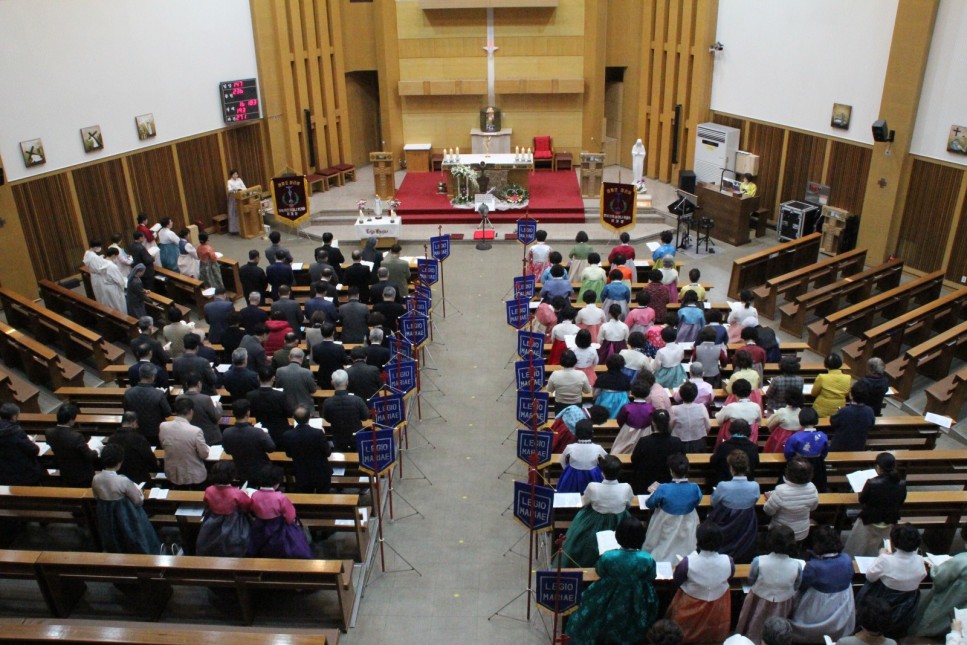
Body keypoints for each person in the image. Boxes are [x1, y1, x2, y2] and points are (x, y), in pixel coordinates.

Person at [564, 515, 659, 643]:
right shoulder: (647, 559)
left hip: (607, 594)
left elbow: (600, 571)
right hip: (636, 597)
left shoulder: (609, 556)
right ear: (641, 537)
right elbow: (651, 576)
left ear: (618, 536)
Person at [557, 455, 633, 568]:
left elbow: (584, 502)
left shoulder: (593, 487)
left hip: (594, 522)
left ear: (602, 472)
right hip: (619, 521)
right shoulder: (626, 487)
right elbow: (628, 504)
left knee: (578, 540)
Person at [665, 522, 734, 644]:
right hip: (717, 606)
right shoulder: (728, 561)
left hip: (691, 604)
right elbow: (730, 576)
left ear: (698, 541)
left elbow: (677, 580)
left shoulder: (687, 562)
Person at [789, 525, 857, 642]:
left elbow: (801, 585)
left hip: (819, 602)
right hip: (843, 598)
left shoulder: (814, 566)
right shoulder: (846, 559)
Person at [91, 444, 161, 554]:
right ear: (119, 462)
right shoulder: (122, 481)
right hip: (126, 516)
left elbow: (96, 496)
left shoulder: (96, 478)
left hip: (106, 516)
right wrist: (140, 492)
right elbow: (138, 501)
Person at [736, 525, 802, 641]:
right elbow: (797, 585)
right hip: (783, 602)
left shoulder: (759, 561)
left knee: (755, 621)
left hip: (758, 598)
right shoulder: (797, 565)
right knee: (777, 628)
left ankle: (751, 639)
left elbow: (751, 579)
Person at [844, 452, 907, 557]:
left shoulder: (872, 483)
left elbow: (862, 500)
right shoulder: (901, 483)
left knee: (858, 546)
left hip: (869, 519)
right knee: (881, 548)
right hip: (889, 519)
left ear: (878, 467)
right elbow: (901, 501)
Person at [246, 465, 313, 559]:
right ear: (277, 483)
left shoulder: (255, 495)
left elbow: (252, 508)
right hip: (278, 527)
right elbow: (290, 516)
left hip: (260, 526)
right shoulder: (280, 497)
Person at [643, 453, 702, 560]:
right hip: (688, 521)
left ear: (671, 471)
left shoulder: (663, 488)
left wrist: (654, 492)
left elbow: (649, 504)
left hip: (665, 520)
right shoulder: (695, 488)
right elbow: (697, 501)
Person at [911, 527, 967, 638]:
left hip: (951, 599)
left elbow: (939, 578)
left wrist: (933, 568)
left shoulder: (961, 560)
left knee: (934, 622)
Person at [196, 461, 252, 557]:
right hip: (233, 522)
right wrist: (244, 494)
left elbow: (207, 502)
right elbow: (247, 505)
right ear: (232, 476)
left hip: (212, 521)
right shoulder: (237, 493)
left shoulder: (209, 490)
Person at [159, 398, 210, 490]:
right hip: (193, 473)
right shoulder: (195, 431)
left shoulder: (163, 426)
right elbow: (204, 454)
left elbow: (163, 445)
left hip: (173, 472)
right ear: (191, 411)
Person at [764, 457, 819, 542]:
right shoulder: (812, 487)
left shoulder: (780, 490)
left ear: (788, 472)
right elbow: (813, 507)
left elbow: (768, 511)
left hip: (780, 533)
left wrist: (770, 499)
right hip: (802, 531)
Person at [223, 399, 277, 485]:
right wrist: (266, 434)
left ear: (233, 413)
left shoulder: (227, 432)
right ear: (248, 413)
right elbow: (271, 448)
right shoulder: (258, 432)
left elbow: (228, 451)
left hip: (240, 470)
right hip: (261, 471)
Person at [282, 405, 333, 493]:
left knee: (306, 494)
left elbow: (288, 454)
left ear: (294, 418)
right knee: (323, 495)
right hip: (320, 471)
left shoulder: (287, 435)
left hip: (301, 472)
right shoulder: (318, 433)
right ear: (309, 417)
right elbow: (327, 453)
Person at [630, 410, 683, 493]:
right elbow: (681, 461)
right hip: (669, 484)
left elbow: (634, 460)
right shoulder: (676, 442)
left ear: (653, 423)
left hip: (645, 484)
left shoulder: (644, 441)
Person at [122, 363, 171, 445]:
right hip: (155, 431)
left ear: (140, 375)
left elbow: (126, 411)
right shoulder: (159, 394)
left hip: (136, 431)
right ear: (153, 376)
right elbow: (168, 413)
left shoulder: (128, 393)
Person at [322, 369, 371, 451]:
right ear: (347, 382)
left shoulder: (327, 402)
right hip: (356, 437)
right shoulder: (357, 400)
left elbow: (327, 419)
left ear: (332, 383)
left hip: (339, 438)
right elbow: (365, 417)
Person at [105, 412, 159, 485]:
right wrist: (156, 463)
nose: (137, 426)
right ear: (134, 423)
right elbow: (149, 457)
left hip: (118, 478)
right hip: (138, 479)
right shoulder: (138, 438)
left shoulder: (112, 438)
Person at [784, 407, 829, 492]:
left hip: (799, 465)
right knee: (818, 485)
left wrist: (793, 460)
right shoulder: (823, 436)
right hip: (818, 465)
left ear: (800, 420)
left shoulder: (795, 437)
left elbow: (788, 453)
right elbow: (824, 452)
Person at [557, 420, 607, 494]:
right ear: (592, 432)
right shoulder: (597, 448)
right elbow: (607, 459)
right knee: (594, 494)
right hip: (593, 474)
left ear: (576, 433)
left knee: (570, 495)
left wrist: (567, 469)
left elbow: (562, 459)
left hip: (572, 475)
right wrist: (602, 472)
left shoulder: (570, 447)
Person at [247, 367, 292, 445]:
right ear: (273, 378)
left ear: (258, 378)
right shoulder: (280, 395)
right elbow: (289, 413)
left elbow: (251, 413)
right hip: (280, 431)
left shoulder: (250, 395)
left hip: (260, 430)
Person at [175, 374, 223, 446]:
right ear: (199, 383)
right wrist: (219, 407)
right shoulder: (205, 399)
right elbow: (216, 417)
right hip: (208, 437)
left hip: (189, 436)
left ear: (186, 384)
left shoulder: (178, 398)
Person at [0, 403, 42, 485]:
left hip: (2, 473)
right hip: (21, 474)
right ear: (14, 417)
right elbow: (34, 450)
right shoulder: (16, 432)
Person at [612, 379, 656, 455]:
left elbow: (620, 420)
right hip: (645, 432)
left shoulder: (626, 407)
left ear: (632, 393)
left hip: (628, 432)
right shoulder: (651, 408)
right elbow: (653, 422)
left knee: (619, 450)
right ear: (647, 393)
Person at [829, 381, 876, 451]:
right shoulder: (869, 411)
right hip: (859, 445)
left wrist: (839, 412)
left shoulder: (844, 411)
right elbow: (871, 425)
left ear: (851, 395)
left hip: (840, 446)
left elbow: (833, 422)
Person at [711, 419, 759, 485]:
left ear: (731, 430)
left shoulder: (723, 446)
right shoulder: (753, 447)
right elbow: (756, 464)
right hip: (747, 481)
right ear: (748, 430)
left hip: (726, 481)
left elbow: (714, 462)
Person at [670, 380, 711, 453]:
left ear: (681, 394)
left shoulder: (674, 409)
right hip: (698, 442)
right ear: (695, 394)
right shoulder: (702, 407)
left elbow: (670, 427)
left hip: (679, 442)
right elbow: (708, 426)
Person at [545, 350, 592, 415]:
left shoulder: (555, 374)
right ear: (575, 361)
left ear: (561, 361)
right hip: (576, 405)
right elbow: (587, 391)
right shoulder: (581, 374)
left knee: (559, 421)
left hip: (560, 405)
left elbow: (549, 389)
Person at [763, 390, 804, 454]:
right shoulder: (803, 412)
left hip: (781, 440)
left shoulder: (782, 412)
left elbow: (769, 424)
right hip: (798, 440)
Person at [811, 353, 851, 418]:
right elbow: (846, 394)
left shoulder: (822, 377)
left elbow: (814, 393)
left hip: (821, 411)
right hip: (839, 411)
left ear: (825, 365)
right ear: (840, 364)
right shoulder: (848, 378)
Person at [312, 322, 349, 389]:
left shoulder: (316, 347)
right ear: (333, 333)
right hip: (338, 377)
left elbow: (316, 361)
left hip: (323, 376)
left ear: (321, 333)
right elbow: (345, 361)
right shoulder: (339, 347)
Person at [594, 354, 632, 418]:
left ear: (607, 364)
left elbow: (596, 393)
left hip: (605, 401)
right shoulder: (626, 378)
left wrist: (594, 398)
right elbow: (628, 393)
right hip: (621, 403)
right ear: (622, 365)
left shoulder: (602, 377)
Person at [99, 247, 128, 313]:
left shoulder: (102, 262)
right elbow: (120, 280)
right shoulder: (112, 266)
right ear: (113, 255)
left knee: (110, 303)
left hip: (105, 286)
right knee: (118, 305)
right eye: (116, 256)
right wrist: (123, 285)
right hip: (114, 288)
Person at [226, 168, 246, 233]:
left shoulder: (239, 180)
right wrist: (234, 189)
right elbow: (229, 190)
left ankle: (243, 228)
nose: (236, 175)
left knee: (241, 212)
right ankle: (235, 229)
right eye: (234, 174)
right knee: (234, 213)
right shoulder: (229, 181)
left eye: (236, 174)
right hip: (233, 199)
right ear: (232, 175)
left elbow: (244, 187)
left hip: (240, 197)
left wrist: (240, 189)